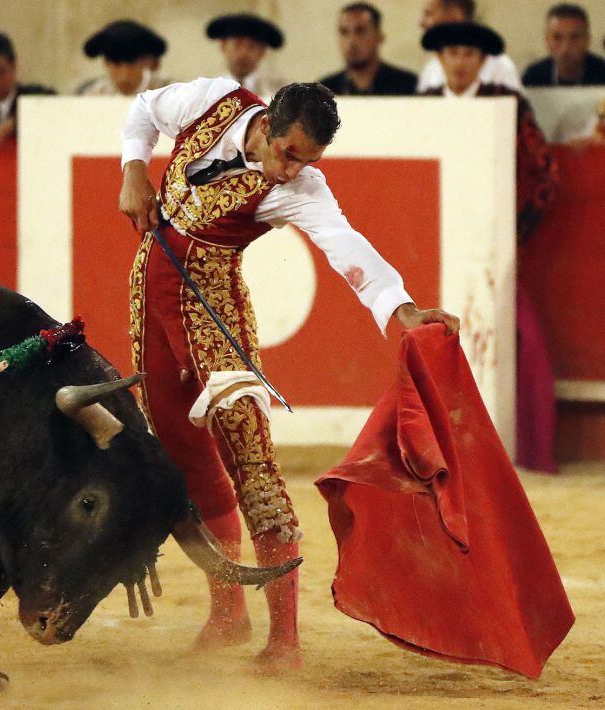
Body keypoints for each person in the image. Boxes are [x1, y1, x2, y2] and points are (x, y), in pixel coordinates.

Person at [118, 78, 459, 668]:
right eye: (288, 152)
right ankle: (227, 616)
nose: (289, 170)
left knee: (252, 460)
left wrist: (401, 310)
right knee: (182, 455)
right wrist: (133, 171)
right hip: (149, 303)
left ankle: (285, 640)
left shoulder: (301, 188)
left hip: (216, 319)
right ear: (267, 122)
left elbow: (344, 243)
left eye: (306, 160)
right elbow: (144, 108)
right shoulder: (212, 100)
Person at [420, 22, 559, 474]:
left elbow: (545, 176)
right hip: (430, 243)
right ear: (440, 59)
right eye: (452, 53)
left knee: (524, 341)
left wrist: (513, 234)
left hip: (489, 248)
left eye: (468, 54)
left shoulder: (509, 104)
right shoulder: (421, 107)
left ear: (482, 61)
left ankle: (531, 455)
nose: (460, 61)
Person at [417, 0, 522, 93]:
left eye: (429, 14)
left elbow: (512, 109)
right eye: (453, 53)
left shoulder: (500, 66)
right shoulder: (431, 69)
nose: (421, 22)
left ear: (455, 14)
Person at [318, 3, 417, 96]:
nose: (352, 41)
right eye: (344, 32)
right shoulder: (325, 90)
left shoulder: (406, 86)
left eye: (360, 31)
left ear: (379, 37)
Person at [76, 20, 171, 96]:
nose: (124, 74)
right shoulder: (93, 95)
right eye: (116, 65)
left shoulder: (166, 92)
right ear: (105, 63)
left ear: (146, 63)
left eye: (132, 65)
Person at [205, 13, 287, 101]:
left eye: (252, 46)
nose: (244, 53)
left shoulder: (280, 95)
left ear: (262, 52)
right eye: (237, 44)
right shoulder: (207, 93)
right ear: (223, 45)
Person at [523, 3, 605, 87]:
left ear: (587, 40)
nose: (566, 47)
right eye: (557, 38)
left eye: (575, 37)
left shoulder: (603, 73)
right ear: (547, 40)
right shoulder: (533, 77)